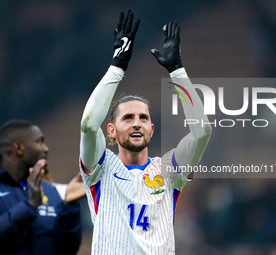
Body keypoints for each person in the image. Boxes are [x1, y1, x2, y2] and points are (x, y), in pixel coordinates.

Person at [79, 10, 212, 254]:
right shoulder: (100, 167)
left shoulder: (169, 169)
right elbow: (88, 123)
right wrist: (117, 66)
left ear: (151, 128)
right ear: (112, 130)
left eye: (143, 118)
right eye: (127, 118)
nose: (137, 123)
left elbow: (201, 131)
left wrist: (177, 71)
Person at [0, 120, 86, 255]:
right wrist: (29, 206)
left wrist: (69, 208)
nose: (46, 148)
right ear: (19, 148)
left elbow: (67, 250)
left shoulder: (48, 189)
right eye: (39, 142)